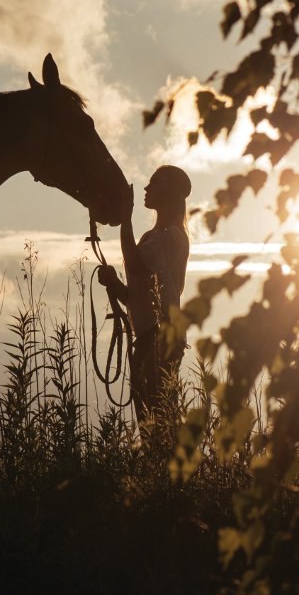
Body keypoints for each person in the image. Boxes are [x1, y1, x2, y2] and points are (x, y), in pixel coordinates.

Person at [98, 165, 191, 422]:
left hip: (160, 340)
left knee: (158, 421)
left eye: (154, 184)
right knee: (150, 421)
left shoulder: (172, 236)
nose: (147, 189)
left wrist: (125, 218)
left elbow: (137, 265)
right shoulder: (154, 236)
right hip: (148, 340)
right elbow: (135, 297)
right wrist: (114, 283)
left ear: (169, 192)